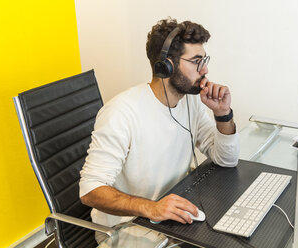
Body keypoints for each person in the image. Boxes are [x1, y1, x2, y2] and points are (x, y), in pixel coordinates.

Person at [79, 18, 240, 244]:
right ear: (166, 66)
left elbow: (226, 160)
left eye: (204, 60)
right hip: (129, 228)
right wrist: (152, 208)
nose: (205, 70)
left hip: (174, 214)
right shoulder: (121, 113)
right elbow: (89, 190)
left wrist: (223, 114)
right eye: (196, 61)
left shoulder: (190, 102)